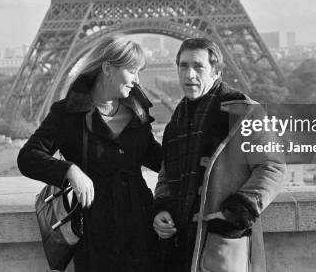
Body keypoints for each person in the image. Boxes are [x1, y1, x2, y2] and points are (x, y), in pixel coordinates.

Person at [18, 34, 163, 272]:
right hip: (95, 232)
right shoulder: (67, 114)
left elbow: (154, 156)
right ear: (107, 68)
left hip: (141, 228)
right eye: (132, 71)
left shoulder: (137, 110)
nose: (137, 80)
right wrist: (70, 171)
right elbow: (28, 157)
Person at [153, 38, 286, 272]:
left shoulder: (245, 112)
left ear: (216, 71)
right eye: (183, 66)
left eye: (198, 66)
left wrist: (236, 212)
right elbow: (166, 174)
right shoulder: (176, 122)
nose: (189, 74)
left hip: (220, 240)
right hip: (181, 243)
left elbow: (272, 166)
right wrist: (162, 207)